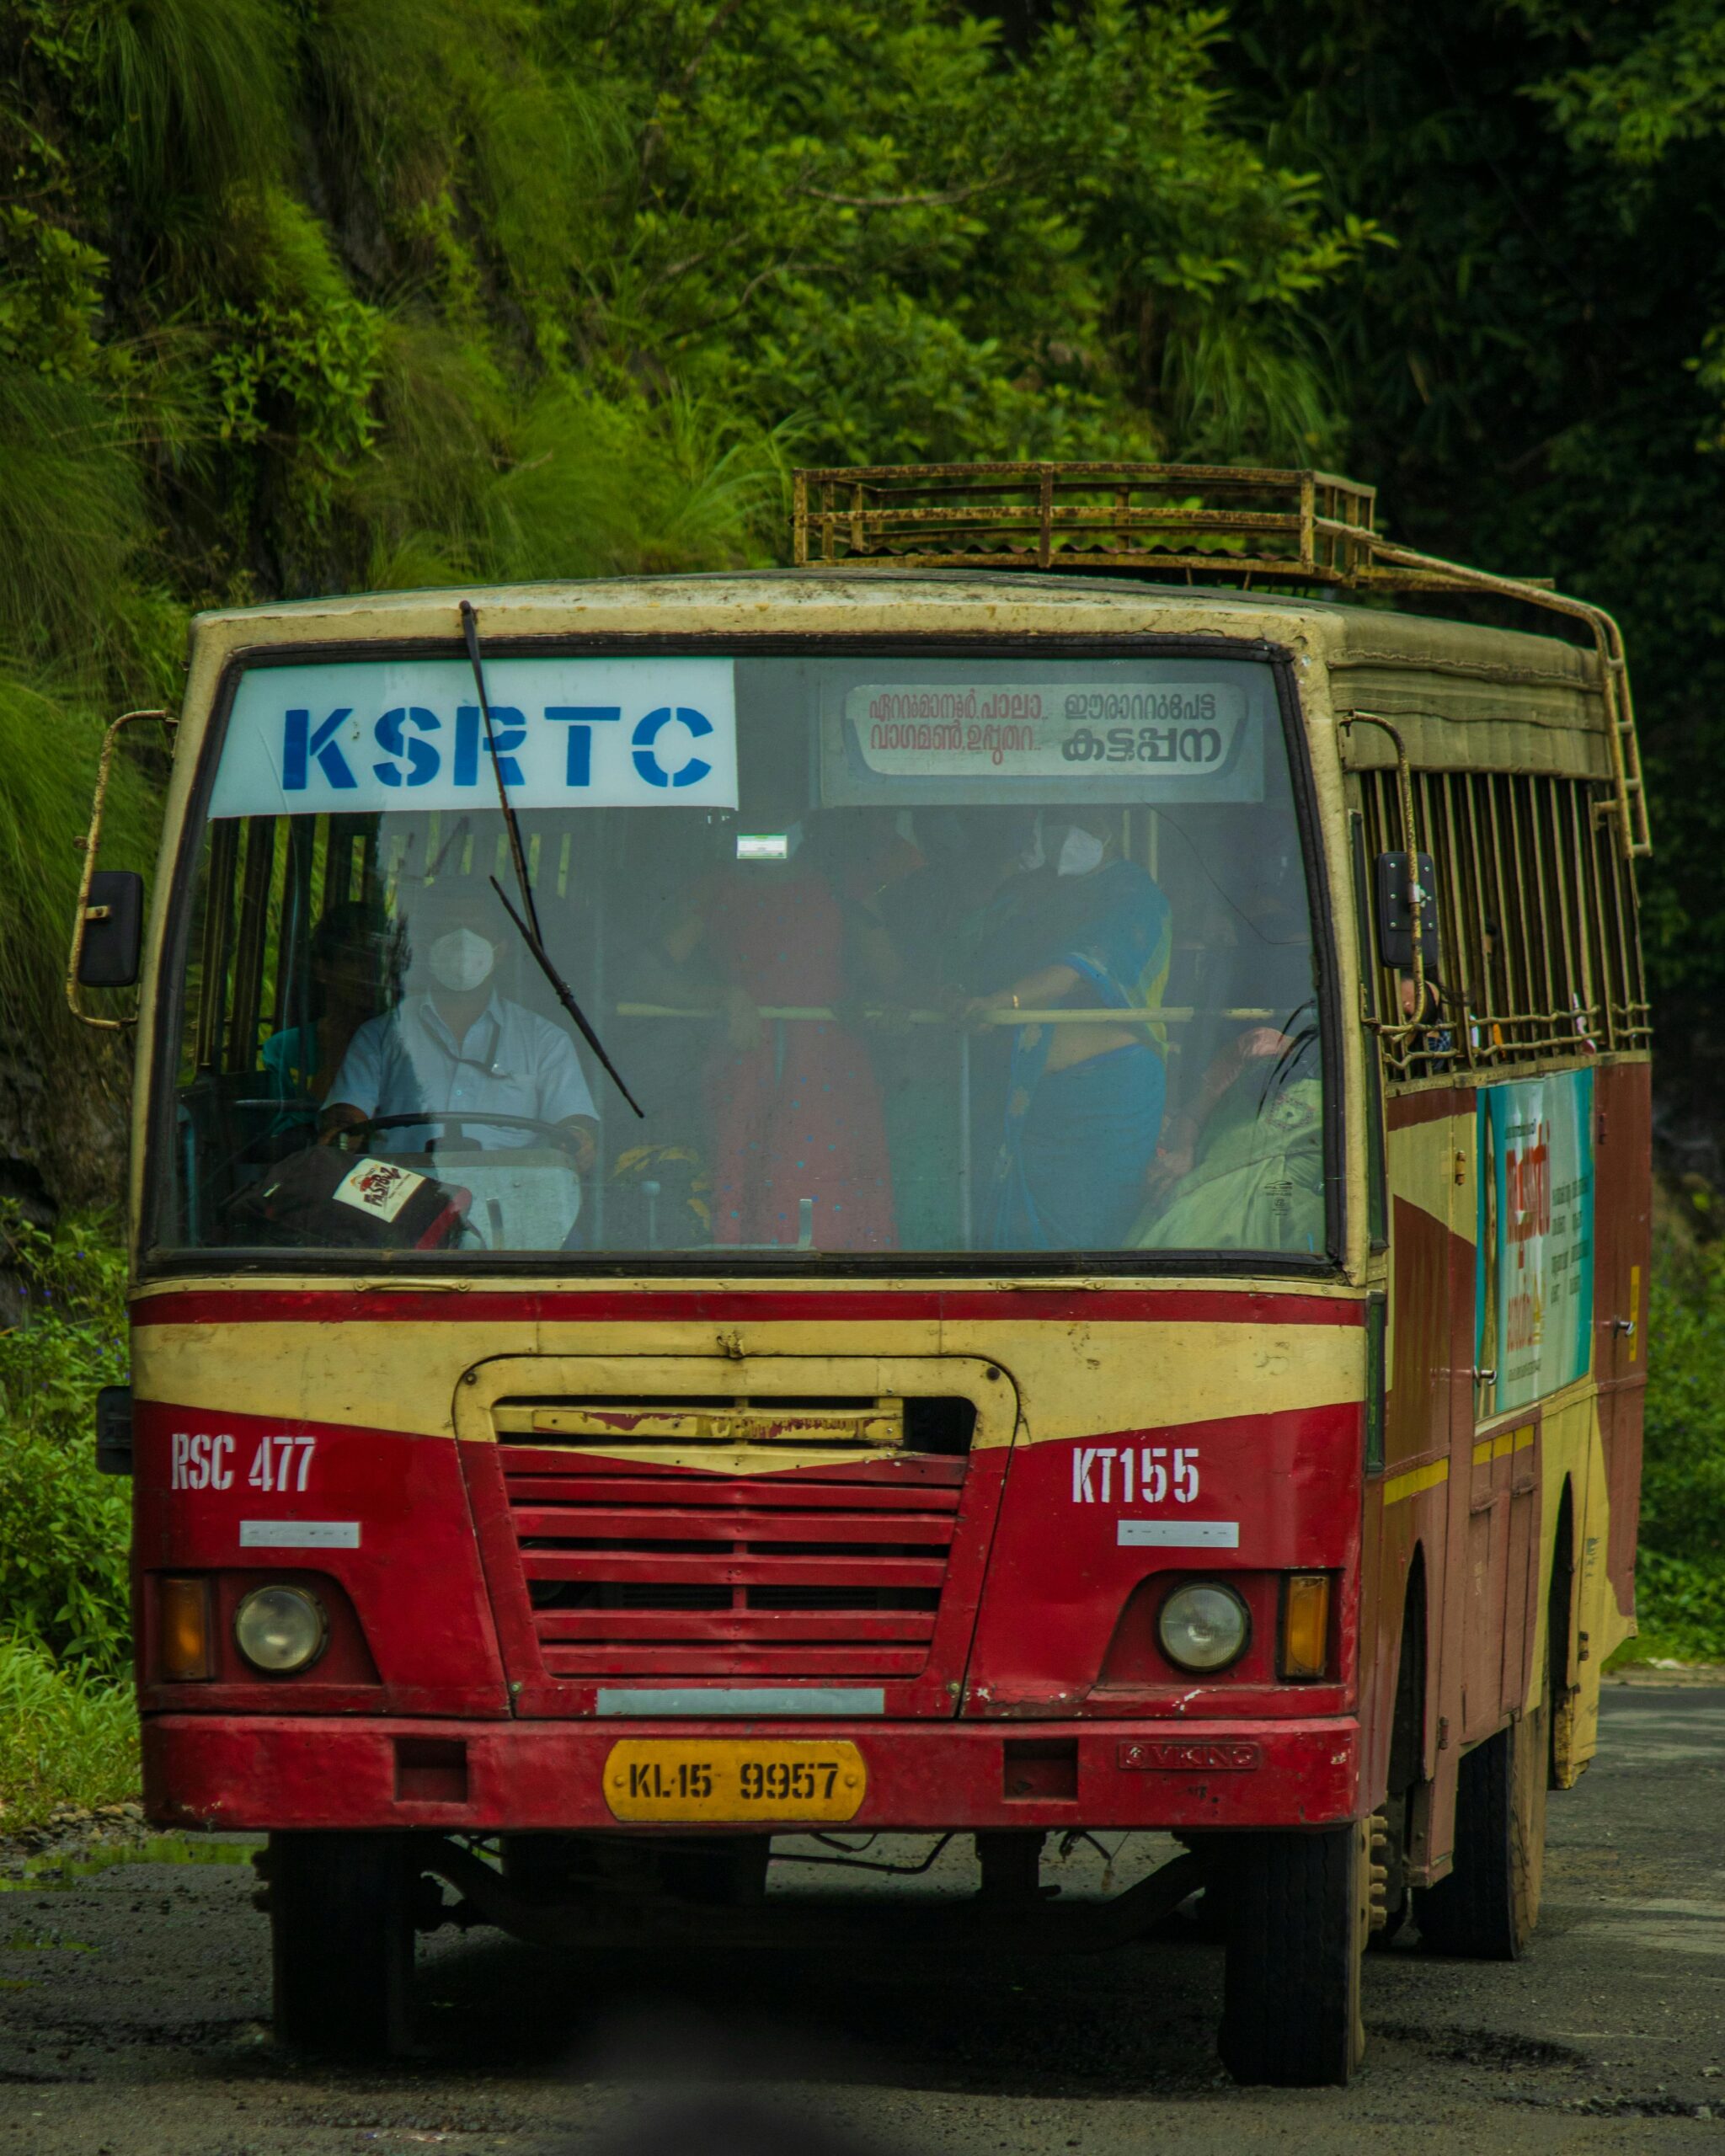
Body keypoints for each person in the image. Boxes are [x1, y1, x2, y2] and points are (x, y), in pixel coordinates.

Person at [657, 801, 896, 1251]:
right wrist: (723, 996)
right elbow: (651, 971)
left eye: (777, 810)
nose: (766, 829)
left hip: (829, 1067)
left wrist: (870, 1001)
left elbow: (892, 977)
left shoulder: (843, 885)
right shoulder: (717, 887)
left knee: (826, 1191)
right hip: (745, 1053)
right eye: (754, 817)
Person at [961, 809, 1171, 1251]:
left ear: (1111, 821)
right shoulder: (1025, 891)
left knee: (1087, 1242)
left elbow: (1086, 963)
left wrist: (1006, 1000)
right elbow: (977, 961)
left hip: (1106, 1095)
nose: (1067, 828)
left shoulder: (1133, 893)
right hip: (1015, 1089)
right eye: (1056, 815)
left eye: (1083, 815)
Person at [321, 885, 598, 1169]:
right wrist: (342, 1129)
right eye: (448, 929)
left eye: (477, 929)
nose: (463, 941)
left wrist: (578, 1138)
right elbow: (349, 1114)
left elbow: (574, 1120)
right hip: (398, 1196)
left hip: (515, 1199)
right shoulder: (380, 1035)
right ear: (425, 945)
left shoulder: (545, 1040)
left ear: (500, 949)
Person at [261, 899, 398, 1129]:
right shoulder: (286, 1050)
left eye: (378, 959)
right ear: (323, 969)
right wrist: (333, 1060)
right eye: (353, 960)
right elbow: (283, 1142)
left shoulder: (408, 1042)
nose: (368, 972)